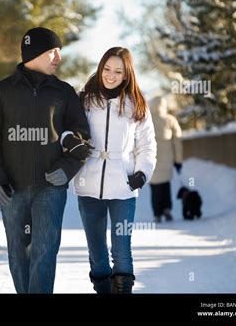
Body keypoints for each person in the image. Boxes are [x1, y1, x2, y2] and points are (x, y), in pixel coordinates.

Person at [0, 27, 92, 293]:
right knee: (18, 254)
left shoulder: (64, 93)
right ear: (34, 53)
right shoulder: (0, 92)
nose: (58, 57)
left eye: (59, 52)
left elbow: (82, 137)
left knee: (44, 251)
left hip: (50, 189)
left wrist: (67, 168)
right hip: (11, 189)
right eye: (52, 51)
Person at [72, 47, 157, 294]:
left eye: (118, 71)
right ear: (100, 68)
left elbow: (147, 145)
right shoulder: (84, 100)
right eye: (107, 69)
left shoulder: (137, 104)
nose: (110, 75)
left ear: (126, 74)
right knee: (97, 253)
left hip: (124, 188)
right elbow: (69, 132)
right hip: (89, 186)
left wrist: (141, 175)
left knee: (121, 250)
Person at [149, 96, 183, 223]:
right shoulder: (170, 120)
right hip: (167, 160)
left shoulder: (146, 120)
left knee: (155, 187)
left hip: (150, 161)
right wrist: (178, 161)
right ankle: (167, 209)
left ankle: (157, 213)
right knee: (165, 185)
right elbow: (177, 141)